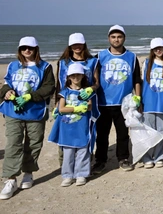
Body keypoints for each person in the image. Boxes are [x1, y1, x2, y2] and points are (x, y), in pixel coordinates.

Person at [0, 37, 55, 200]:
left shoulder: (45, 67)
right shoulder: (12, 65)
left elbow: (49, 87)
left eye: (30, 48)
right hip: (13, 111)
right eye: (24, 48)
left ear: (36, 49)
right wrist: (7, 92)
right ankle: (10, 179)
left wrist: (31, 96)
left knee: (33, 143)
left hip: (35, 112)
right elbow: (6, 83)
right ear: (20, 50)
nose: (27, 51)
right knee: (13, 143)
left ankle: (28, 172)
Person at [93, 25, 141, 174]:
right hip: (103, 102)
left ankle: (123, 158)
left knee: (122, 134)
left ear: (124, 38)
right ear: (108, 38)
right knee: (102, 134)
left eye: (119, 37)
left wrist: (138, 98)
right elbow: (93, 79)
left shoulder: (131, 57)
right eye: (113, 37)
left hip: (124, 103)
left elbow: (136, 79)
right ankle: (100, 161)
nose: (116, 39)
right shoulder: (100, 57)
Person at [54, 33, 100, 167]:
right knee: (65, 131)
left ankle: (84, 166)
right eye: (74, 44)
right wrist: (57, 104)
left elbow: (97, 83)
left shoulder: (92, 61)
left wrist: (91, 88)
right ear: (70, 46)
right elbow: (59, 84)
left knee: (86, 132)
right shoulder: (63, 62)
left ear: (84, 44)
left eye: (79, 44)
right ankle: (65, 166)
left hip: (86, 103)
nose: (77, 47)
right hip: (66, 103)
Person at [49, 63, 93, 187]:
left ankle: (81, 174)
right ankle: (67, 175)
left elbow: (90, 106)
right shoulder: (65, 92)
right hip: (67, 128)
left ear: (83, 76)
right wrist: (76, 108)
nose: (75, 77)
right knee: (68, 152)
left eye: (78, 75)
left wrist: (86, 106)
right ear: (68, 77)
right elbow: (61, 108)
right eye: (73, 75)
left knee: (83, 150)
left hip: (82, 126)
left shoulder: (86, 91)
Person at [140, 38, 163, 168]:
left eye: (161, 48)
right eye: (156, 48)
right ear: (152, 50)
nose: (158, 50)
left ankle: (158, 157)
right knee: (148, 130)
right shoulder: (147, 63)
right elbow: (141, 83)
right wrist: (139, 101)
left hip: (162, 103)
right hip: (148, 103)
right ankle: (147, 157)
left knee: (160, 131)